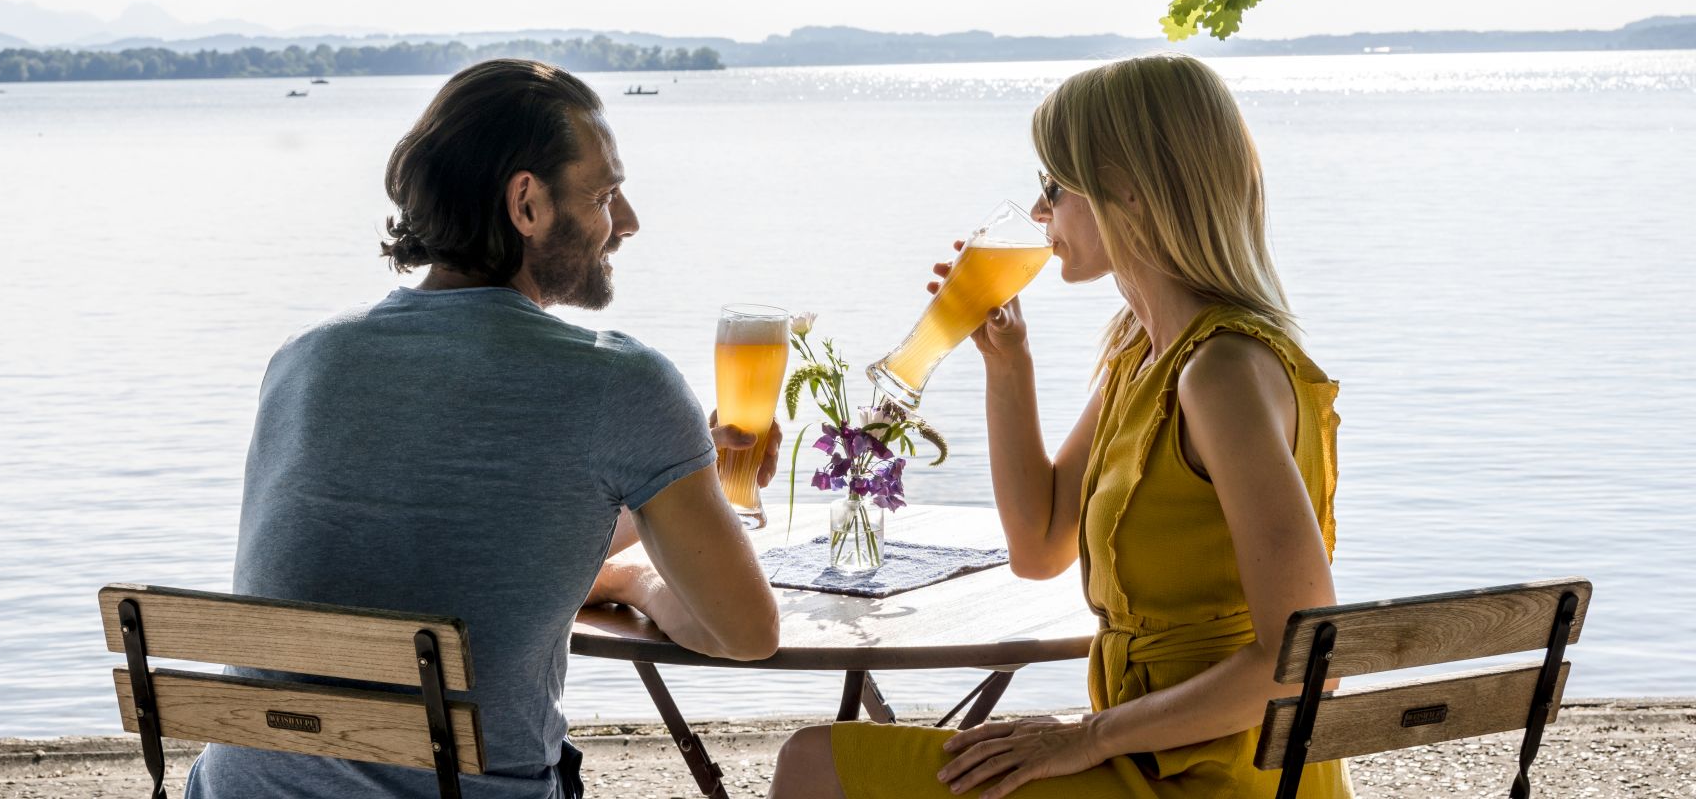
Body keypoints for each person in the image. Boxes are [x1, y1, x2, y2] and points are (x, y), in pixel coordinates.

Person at [185, 59, 781, 799]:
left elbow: (473, 532)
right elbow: (747, 633)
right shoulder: (621, 383)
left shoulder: (304, 360)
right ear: (526, 203)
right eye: (604, 195)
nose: (625, 224)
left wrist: (664, 494)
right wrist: (646, 586)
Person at [768, 55, 1349, 799]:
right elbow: (1039, 546)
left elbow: (1303, 658)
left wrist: (1085, 736)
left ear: (1128, 189)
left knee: (815, 765)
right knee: (825, 759)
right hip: (1148, 750)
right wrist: (1009, 364)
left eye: (1053, 187)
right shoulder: (1144, 353)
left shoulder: (1223, 372)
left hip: (1217, 775)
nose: (1040, 214)